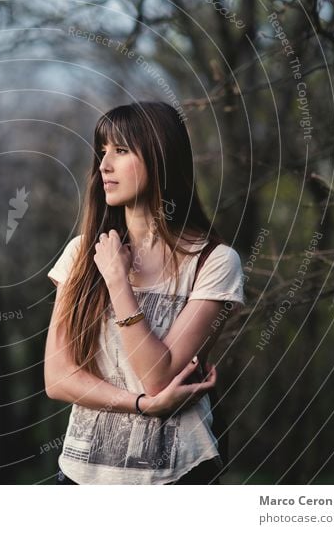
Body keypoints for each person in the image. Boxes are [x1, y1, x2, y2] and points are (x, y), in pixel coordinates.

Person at [44, 101, 246, 485]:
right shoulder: (81, 253)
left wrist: (119, 283)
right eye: (102, 152)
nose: (104, 165)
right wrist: (142, 406)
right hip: (80, 478)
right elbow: (58, 377)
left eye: (120, 151)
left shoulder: (213, 263)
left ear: (161, 159)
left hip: (177, 478)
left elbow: (158, 376)